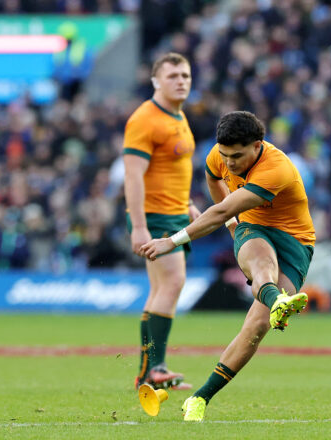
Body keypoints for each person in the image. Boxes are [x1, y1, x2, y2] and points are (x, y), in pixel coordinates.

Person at [140, 111, 316, 421]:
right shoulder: (218, 155)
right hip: (253, 228)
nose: (229, 162)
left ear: (257, 146)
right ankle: (277, 301)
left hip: (295, 242)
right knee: (261, 262)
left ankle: (199, 397)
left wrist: (174, 240)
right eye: (225, 155)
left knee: (256, 327)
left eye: (237, 156)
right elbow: (214, 182)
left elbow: (220, 211)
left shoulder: (275, 169)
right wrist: (233, 224)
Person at [123, 52, 200, 390]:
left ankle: (148, 372)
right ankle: (155, 369)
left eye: (185, 75)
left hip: (174, 212)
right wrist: (140, 226)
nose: (181, 81)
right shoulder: (145, 120)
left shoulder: (177, 115)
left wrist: (188, 203)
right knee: (172, 283)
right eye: (172, 76)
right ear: (156, 81)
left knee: (160, 289)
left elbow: (171, 169)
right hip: (156, 216)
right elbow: (133, 175)